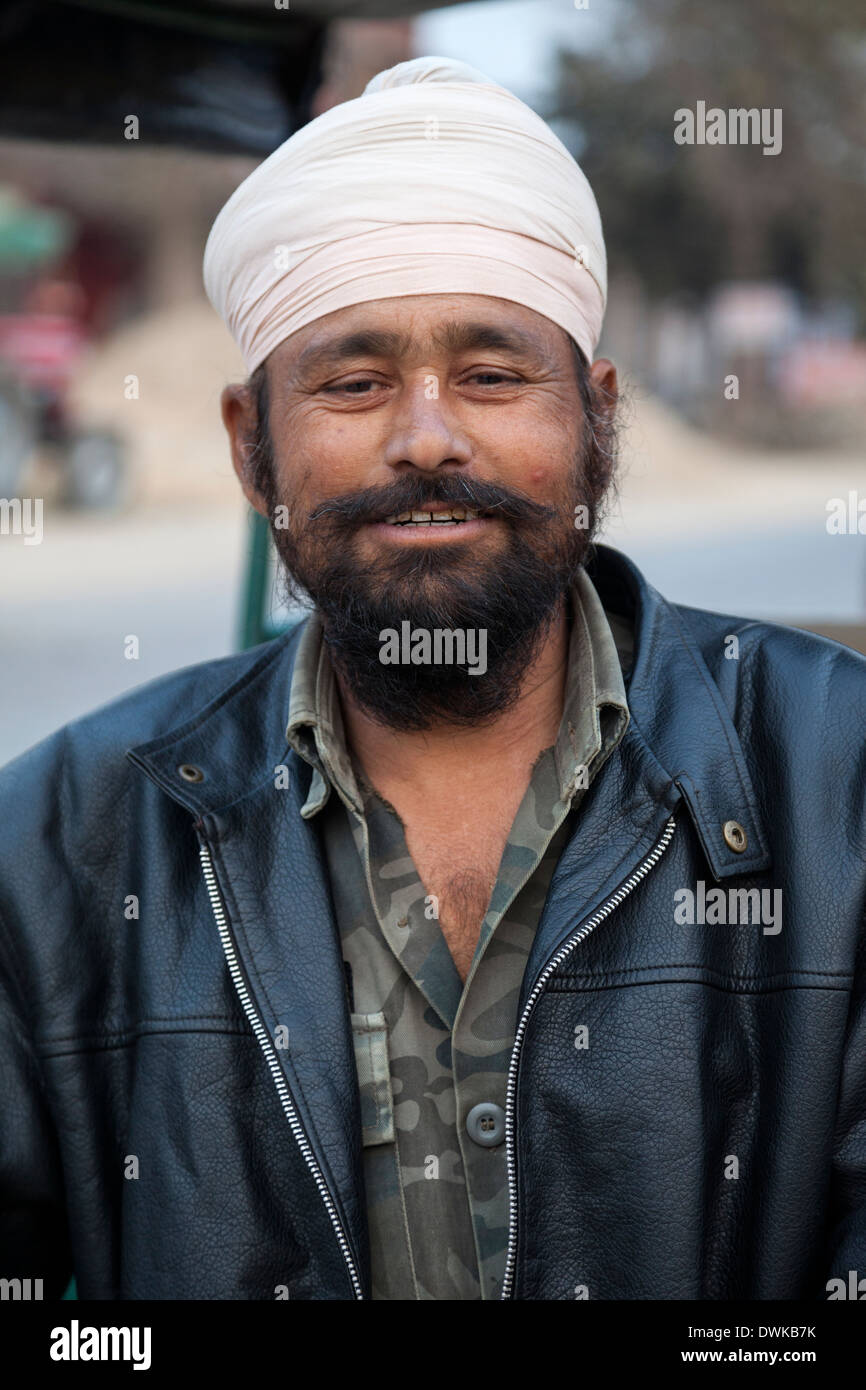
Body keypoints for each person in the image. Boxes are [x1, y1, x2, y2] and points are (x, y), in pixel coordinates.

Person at [1, 56, 864, 1303]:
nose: (425, 437)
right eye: (352, 384)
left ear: (597, 422)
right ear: (253, 450)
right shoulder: (57, 844)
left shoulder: (836, 782)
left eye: (492, 375)